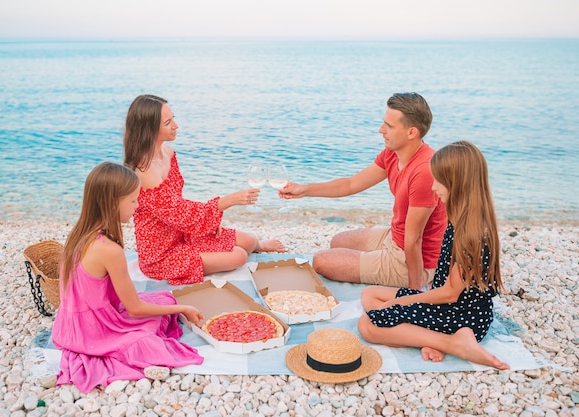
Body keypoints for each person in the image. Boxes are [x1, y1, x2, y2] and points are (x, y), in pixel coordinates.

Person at [51, 162, 205, 393]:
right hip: (94, 330)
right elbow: (135, 309)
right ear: (114, 202)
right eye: (133, 200)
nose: (137, 205)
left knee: (163, 299)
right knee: (149, 338)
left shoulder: (79, 233)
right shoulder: (108, 250)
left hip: (69, 324)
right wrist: (182, 308)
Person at [357, 141, 509, 370]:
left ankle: (453, 343)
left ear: (456, 183)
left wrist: (403, 301)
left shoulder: (471, 234)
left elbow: (449, 294)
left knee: (367, 324)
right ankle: (433, 337)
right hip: (449, 303)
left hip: (462, 316)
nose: (433, 186)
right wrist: (404, 300)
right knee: (370, 295)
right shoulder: (461, 217)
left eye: (439, 180)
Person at [280, 92, 446, 290]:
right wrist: (304, 190)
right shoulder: (393, 154)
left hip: (413, 259)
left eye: (389, 126)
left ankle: (411, 280)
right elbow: (351, 184)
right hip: (395, 237)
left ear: (411, 132)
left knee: (321, 262)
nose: (380, 130)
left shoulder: (424, 170)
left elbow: (414, 240)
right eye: (383, 123)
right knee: (338, 241)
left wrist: (414, 295)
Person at [123, 94, 285, 286]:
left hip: (182, 231)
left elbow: (179, 206)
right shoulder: (144, 170)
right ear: (149, 129)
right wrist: (227, 201)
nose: (176, 125)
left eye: (173, 118)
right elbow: (179, 213)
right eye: (168, 122)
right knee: (239, 256)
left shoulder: (167, 152)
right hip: (161, 254)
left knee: (249, 241)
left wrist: (204, 224)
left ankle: (260, 245)